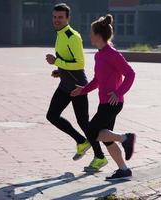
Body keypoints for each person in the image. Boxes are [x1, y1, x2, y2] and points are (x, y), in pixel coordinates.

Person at [71, 14, 136, 180]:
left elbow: (130, 74)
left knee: (92, 132)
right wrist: (83, 90)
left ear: (98, 35)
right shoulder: (99, 54)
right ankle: (123, 170)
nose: (89, 35)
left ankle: (126, 138)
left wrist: (119, 92)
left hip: (113, 103)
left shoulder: (112, 54)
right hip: (104, 103)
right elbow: (97, 80)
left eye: (91, 32)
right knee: (106, 138)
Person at [45, 3, 108, 171]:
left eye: (60, 17)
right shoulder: (59, 34)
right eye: (55, 17)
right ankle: (81, 141)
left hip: (78, 86)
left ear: (68, 18)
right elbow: (68, 60)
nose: (56, 20)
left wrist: (57, 62)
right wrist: (59, 71)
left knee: (83, 122)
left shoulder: (72, 36)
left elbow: (80, 63)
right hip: (65, 84)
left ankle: (100, 157)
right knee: (52, 115)